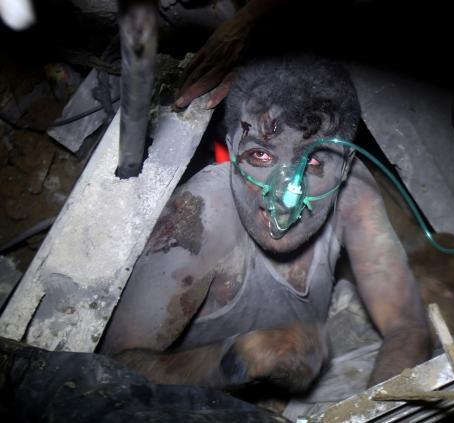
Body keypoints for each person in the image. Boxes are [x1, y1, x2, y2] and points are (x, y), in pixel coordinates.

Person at [100, 55, 431, 392]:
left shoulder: (353, 192)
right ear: (232, 149)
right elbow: (108, 376)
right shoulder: (201, 217)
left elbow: (407, 327)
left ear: (346, 166)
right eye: (261, 155)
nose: (285, 197)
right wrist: (241, 359)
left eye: (313, 161)